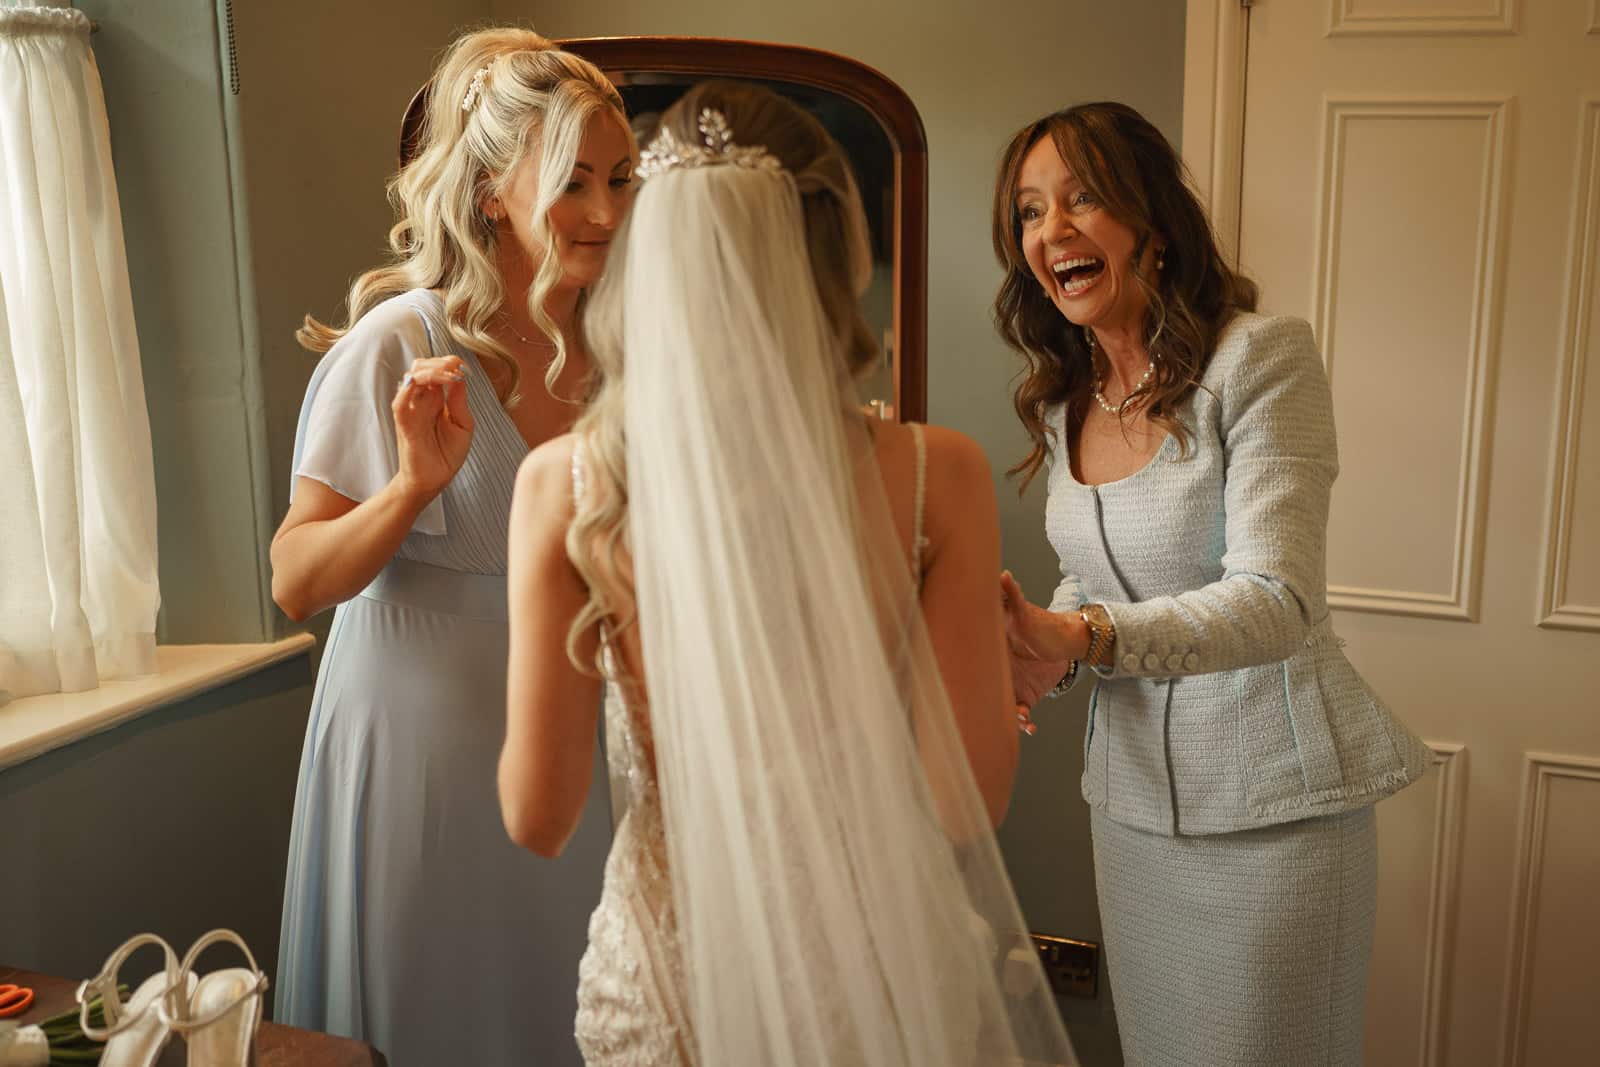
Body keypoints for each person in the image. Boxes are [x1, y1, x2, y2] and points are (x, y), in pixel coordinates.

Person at [497, 81, 1078, 1066]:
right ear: (831, 259)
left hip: (668, 978)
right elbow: (962, 802)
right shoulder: (939, 474)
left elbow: (538, 815)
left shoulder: (566, 483)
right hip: (874, 965)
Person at [992, 101, 1432, 1066]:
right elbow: (1093, 573)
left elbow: (1277, 598)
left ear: (1151, 220)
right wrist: (1040, 655)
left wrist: (1085, 636)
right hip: (1132, 813)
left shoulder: (1260, 359)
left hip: (1274, 823)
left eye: (1084, 198)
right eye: (1030, 211)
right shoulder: (1070, 396)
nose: (1052, 231)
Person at [268, 28, 634, 1065]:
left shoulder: (621, 352)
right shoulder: (403, 341)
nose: (605, 211)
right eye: (572, 181)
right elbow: (295, 577)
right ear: (488, 192)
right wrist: (415, 487)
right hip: (417, 766)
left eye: (620, 178)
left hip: (572, 750)